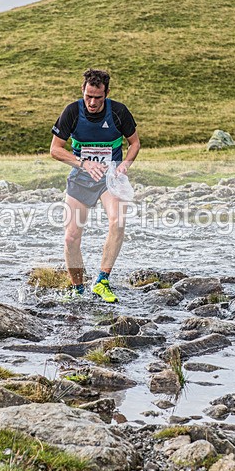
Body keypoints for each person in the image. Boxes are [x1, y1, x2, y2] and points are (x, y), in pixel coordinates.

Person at [50, 69, 141, 303]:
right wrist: (83, 163)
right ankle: (77, 289)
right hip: (81, 178)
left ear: (106, 94)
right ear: (83, 90)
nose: (92, 102)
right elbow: (55, 149)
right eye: (88, 96)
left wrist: (125, 165)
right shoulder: (72, 112)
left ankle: (102, 281)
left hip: (110, 178)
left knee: (118, 222)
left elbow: (134, 143)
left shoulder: (119, 112)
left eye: (97, 97)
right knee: (71, 237)